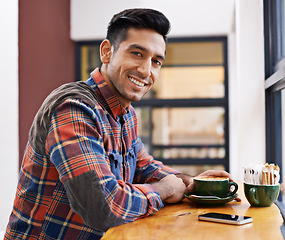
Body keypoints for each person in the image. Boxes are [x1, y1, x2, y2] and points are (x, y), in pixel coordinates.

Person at [5, 8, 231, 240]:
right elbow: (102, 206)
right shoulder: (74, 107)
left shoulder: (126, 114)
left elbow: (144, 167)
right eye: (136, 53)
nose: (146, 70)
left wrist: (193, 183)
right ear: (106, 52)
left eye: (156, 61)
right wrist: (164, 190)